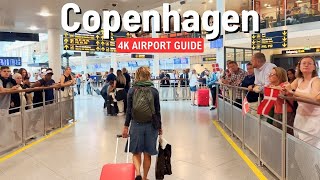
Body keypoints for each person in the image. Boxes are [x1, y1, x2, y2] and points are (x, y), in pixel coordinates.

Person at [122, 66, 162, 180]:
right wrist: (160, 126)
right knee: (147, 153)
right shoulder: (154, 91)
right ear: (149, 76)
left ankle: (138, 174)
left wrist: (126, 127)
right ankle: (144, 177)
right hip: (151, 125)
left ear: (137, 76)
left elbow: (128, 111)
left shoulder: (132, 90)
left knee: (136, 152)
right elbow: (157, 111)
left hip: (136, 124)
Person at [284, 56, 320, 148]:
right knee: (298, 145)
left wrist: (293, 92)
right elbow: (287, 90)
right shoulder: (298, 80)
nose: (306, 65)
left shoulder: (316, 81)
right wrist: (283, 88)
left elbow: (314, 97)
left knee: (308, 147)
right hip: (299, 118)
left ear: (314, 67)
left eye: (309, 63)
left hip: (313, 120)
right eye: (304, 63)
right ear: (299, 66)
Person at [267, 67, 295, 135]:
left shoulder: (286, 84)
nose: (269, 76)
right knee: (276, 134)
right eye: (269, 74)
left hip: (286, 114)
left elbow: (284, 92)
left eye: (272, 74)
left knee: (287, 135)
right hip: (276, 113)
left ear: (279, 76)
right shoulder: (272, 85)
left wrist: (276, 89)